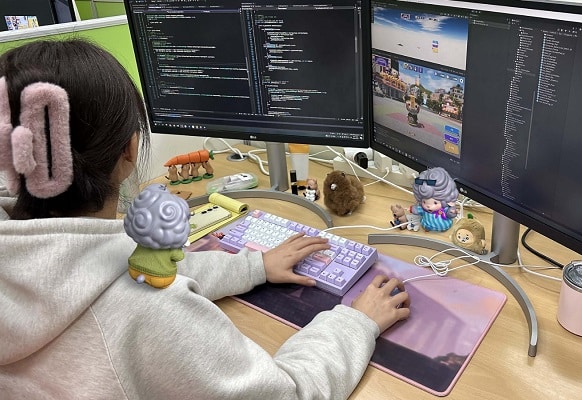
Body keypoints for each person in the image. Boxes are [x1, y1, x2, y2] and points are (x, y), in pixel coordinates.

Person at [0, 39, 411, 399]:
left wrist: (254, 266)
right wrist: (356, 322)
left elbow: (128, 269)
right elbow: (290, 394)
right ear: (130, 149)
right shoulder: (148, 313)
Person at [409, 167, 459, 232]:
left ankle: (443, 229)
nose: (428, 206)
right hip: (427, 225)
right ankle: (427, 228)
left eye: (435, 203)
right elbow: (417, 210)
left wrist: (452, 212)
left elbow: (449, 214)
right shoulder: (423, 209)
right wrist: (411, 209)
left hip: (444, 226)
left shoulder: (444, 210)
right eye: (424, 202)